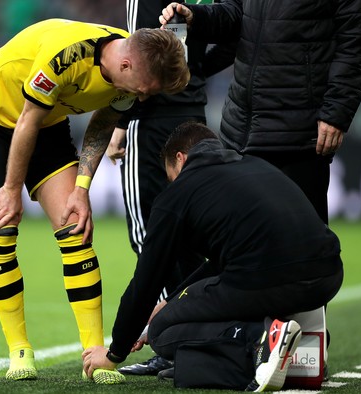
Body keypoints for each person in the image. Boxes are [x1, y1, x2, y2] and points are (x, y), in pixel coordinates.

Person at [0, 18, 189, 384]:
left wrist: (81, 189)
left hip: (46, 123)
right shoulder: (65, 58)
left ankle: (93, 356)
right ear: (127, 66)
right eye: (144, 89)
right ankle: (19, 350)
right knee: (2, 227)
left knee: (74, 228)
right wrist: (12, 188)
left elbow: (103, 121)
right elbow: (25, 121)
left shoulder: (130, 67)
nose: (143, 97)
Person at [82, 122, 344, 391]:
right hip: (328, 275)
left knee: (162, 333)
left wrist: (115, 353)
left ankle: (260, 339)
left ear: (180, 159)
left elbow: (146, 281)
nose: (172, 181)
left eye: (170, 174)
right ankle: (301, 353)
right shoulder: (254, 165)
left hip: (270, 279)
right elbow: (221, 263)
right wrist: (171, 301)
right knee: (199, 303)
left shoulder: (177, 194)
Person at [160, 1, 361, 225]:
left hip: (296, 134)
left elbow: (357, 41)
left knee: (301, 244)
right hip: (239, 130)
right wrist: (196, 16)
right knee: (239, 243)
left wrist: (336, 112)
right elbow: (235, 13)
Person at [108, 0, 237, 376]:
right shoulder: (200, 4)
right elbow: (233, 38)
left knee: (152, 238)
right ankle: (200, 338)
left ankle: (172, 341)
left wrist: (122, 122)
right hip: (193, 117)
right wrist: (192, 75)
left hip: (150, 120)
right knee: (193, 238)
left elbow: (135, 58)